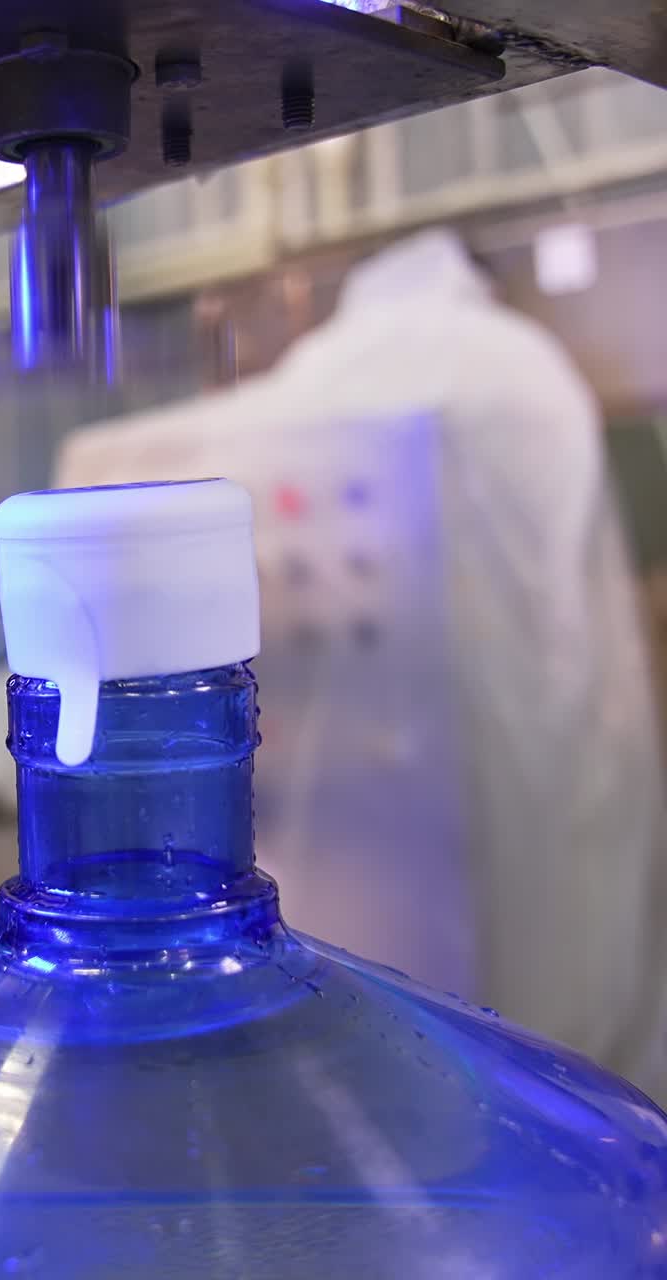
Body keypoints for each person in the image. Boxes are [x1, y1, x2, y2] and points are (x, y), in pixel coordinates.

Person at [57, 227, 667, 1101]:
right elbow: (583, 677)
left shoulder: (472, 380)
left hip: (340, 944)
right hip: (485, 928)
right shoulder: (518, 376)